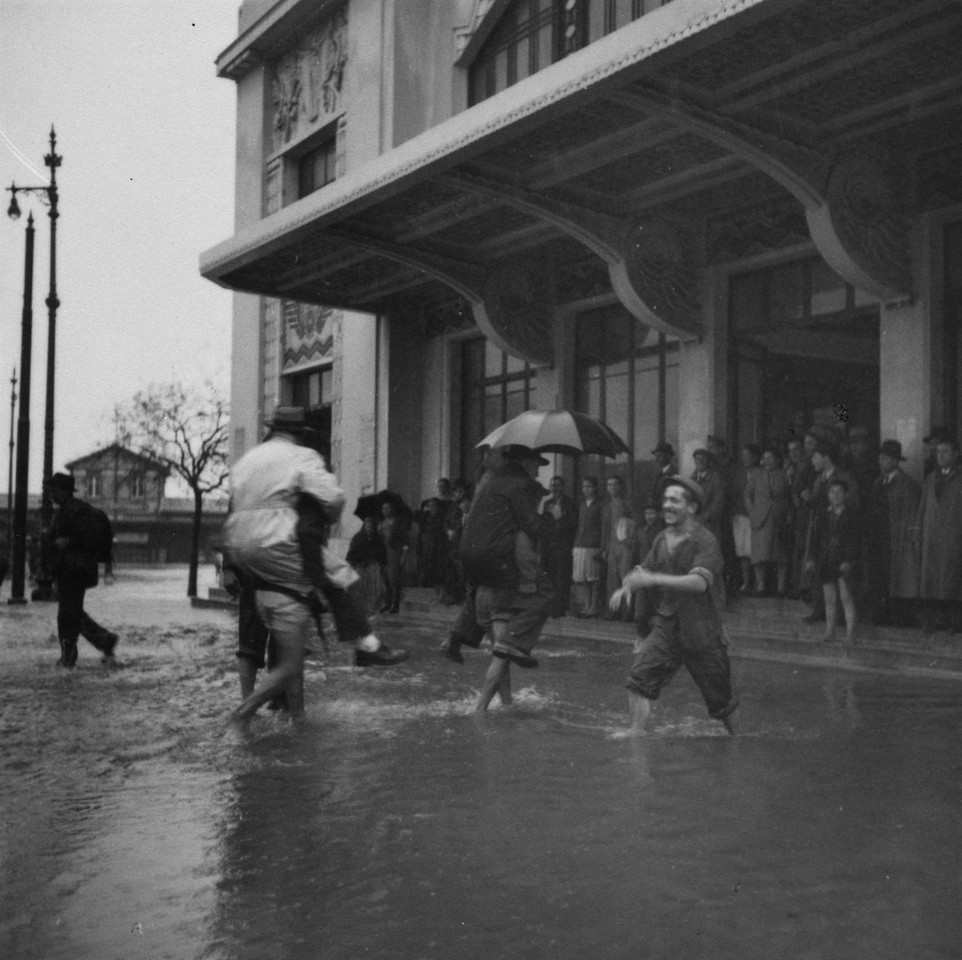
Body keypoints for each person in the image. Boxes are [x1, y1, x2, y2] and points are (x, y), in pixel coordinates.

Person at [224, 407, 407, 725]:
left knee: (307, 589)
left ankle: (298, 705)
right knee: (339, 575)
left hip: (243, 548)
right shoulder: (302, 456)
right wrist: (322, 516)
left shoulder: (249, 459)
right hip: (277, 541)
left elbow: (234, 500)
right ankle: (366, 644)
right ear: (300, 433)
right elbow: (333, 499)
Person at [609, 477, 738, 736]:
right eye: (666, 499)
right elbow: (645, 569)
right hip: (667, 625)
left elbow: (699, 582)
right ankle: (636, 732)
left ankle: (739, 740)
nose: (666, 505)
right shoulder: (661, 538)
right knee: (639, 678)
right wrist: (628, 586)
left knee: (722, 702)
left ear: (691, 508)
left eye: (674, 500)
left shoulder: (705, 541)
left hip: (702, 632)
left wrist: (653, 579)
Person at [457, 445, 554, 711]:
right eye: (536, 465)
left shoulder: (489, 480)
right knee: (503, 652)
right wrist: (550, 518)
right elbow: (529, 542)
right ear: (526, 462)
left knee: (500, 652)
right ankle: (480, 709)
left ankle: (507, 704)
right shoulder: (519, 493)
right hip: (500, 588)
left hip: (480, 578)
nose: (537, 472)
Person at [44, 472, 119, 668]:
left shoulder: (76, 510)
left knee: (67, 614)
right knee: (72, 612)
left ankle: (69, 657)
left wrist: (68, 541)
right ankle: (103, 640)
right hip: (69, 569)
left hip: (75, 570)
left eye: (53, 490)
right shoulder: (66, 510)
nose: (50, 494)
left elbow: (86, 538)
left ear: (64, 490)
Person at [861, 440, 920, 628]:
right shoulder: (879, 482)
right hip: (878, 539)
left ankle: (898, 617)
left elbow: (911, 515)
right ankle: (880, 615)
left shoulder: (907, 484)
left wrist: (910, 540)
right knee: (878, 578)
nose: (881, 462)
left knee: (897, 578)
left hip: (896, 539)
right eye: (880, 458)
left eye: (884, 458)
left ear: (895, 461)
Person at [912, 437, 962, 637]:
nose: (941, 456)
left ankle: (954, 621)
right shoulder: (931, 478)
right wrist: (918, 535)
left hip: (953, 537)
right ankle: (932, 620)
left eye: (946, 452)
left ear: (956, 455)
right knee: (930, 580)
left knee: (952, 579)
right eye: (938, 452)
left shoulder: (960, 478)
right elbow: (922, 507)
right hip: (931, 537)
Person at [807, 477, 860, 644]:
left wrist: (849, 560)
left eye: (839, 492)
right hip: (826, 559)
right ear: (828, 495)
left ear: (845, 494)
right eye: (832, 492)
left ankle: (851, 633)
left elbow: (854, 540)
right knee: (829, 598)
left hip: (843, 560)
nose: (835, 495)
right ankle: (830, 631)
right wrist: (812, 558)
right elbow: (815, 539)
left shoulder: (852, 515)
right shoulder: (823, 515)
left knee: (846, 597)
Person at [745, 446, 791, 596]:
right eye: (764, 458)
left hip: (778, 517)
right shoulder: (756, 474)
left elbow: (790, 496)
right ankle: (761, 586)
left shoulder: (784, 475)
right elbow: (748, 495)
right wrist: (752, 512)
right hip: (760, 518)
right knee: (759, 554)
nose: (767, 461)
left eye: (770, 457)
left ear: (777, 460)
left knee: (780, 553)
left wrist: (788, 513)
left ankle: (781, 587)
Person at [540, 475, 577, 617]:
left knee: (562, 577)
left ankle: (560, 607)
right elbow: (544, 524)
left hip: (563, 545)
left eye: (558, 485)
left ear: (563, 487)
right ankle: (549, 606)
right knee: (549, 576)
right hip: (549, 546)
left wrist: (559, 519)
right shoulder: (547, 503)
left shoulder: (570, 503)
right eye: (553, 485)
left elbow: (573, 524)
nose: (555, 488)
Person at [602, 475, 634, 620]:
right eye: (609, 484)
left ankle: (626, 613)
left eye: (615, 484)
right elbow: (605, 529)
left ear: (620, 486)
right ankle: (612, 611)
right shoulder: (607, 506)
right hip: (611, 546)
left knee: (625, 577)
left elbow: (633, 524)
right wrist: (605, 548)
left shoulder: (627, 504)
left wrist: (629, 541)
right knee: (612, 579)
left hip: (625, 546)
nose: (612, 487)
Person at [572, 476, 604, 617]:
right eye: (584, 486)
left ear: (595, 488)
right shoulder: (581, 505)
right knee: (584, 577)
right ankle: (587, 604)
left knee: (593, 577)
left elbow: (603, 526)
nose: (586, 489)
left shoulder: (601, 504)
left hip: (594, 544)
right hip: (580, 544)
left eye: (589, 486)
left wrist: (602, 546)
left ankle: (594, 605)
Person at [346, 515, 387, 615]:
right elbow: (352, 553)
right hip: (361, 567)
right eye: (367, 527)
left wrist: (380, 563)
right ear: (364, 527)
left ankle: (371, 610)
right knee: (360, 589)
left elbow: (381, 553)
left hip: (373, 568)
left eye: (371, 527)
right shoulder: (358, 538)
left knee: (374, 590)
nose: (369, 529)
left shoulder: (377, 539)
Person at [731, 444, 758, 594]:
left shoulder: (760, 473)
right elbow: (735, 493)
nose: (745, 458)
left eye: (748, 455)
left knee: (753, 549)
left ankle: (757, 583)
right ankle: (746, 582)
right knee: (742, 551)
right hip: (740, 515)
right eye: (743, 456)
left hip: (755, 516)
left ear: (755, 457)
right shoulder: (739, 473)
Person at [378, 499, 410, 614]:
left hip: (395, 552)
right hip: (385, 552)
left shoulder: (399, 522)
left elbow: (405, 538)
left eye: (388, 508)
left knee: (394, 579)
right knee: (386, 578)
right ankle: (387, 602)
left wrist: (404, 554)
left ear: (392, 509)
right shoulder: (382, 524)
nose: (385, 511)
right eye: (383, 508)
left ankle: (395, 604)